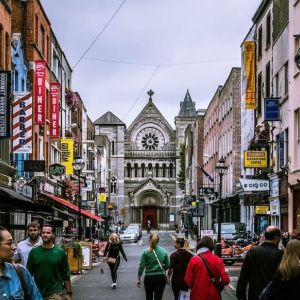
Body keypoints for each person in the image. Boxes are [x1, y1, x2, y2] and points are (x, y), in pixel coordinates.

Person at [236, 226, 283, 300]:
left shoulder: (253, 252)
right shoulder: (280, 254)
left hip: (255, 295)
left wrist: (241, 296)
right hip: (273, 295)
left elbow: (243, 276)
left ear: (265, 236)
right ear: (277, 238)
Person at [26, 224, 72, 300]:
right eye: (43, 233)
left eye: (48, 233)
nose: (45, 235)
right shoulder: (34, 252)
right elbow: (28, 274)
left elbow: (65, 274)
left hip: (55, 292)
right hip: (37, 292)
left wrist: (69, 293)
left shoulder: (60, 252)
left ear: (53, 235)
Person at [0, 226, 42, 299]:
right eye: (9, 243)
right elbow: (16, 259)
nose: (14, 247)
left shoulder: (20, 272)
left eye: (35, 230)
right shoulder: (21, 245)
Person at [185, 236, 230, 300]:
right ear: (211, 247)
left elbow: (187, 280)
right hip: (213, 296)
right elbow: (226, 280)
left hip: (197, 296)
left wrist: (196, 287)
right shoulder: (218, 260)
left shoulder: (194, 260)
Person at [137, 232, 169, 300]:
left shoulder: (145, 252)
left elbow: (141, 266)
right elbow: (167, 265)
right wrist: (162, 269)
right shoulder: (163, 251)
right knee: (158, 298)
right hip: (160, 277)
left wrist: (139, 278)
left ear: (149, 240)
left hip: (149, 277)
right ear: (158, 241)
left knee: (149, 297)